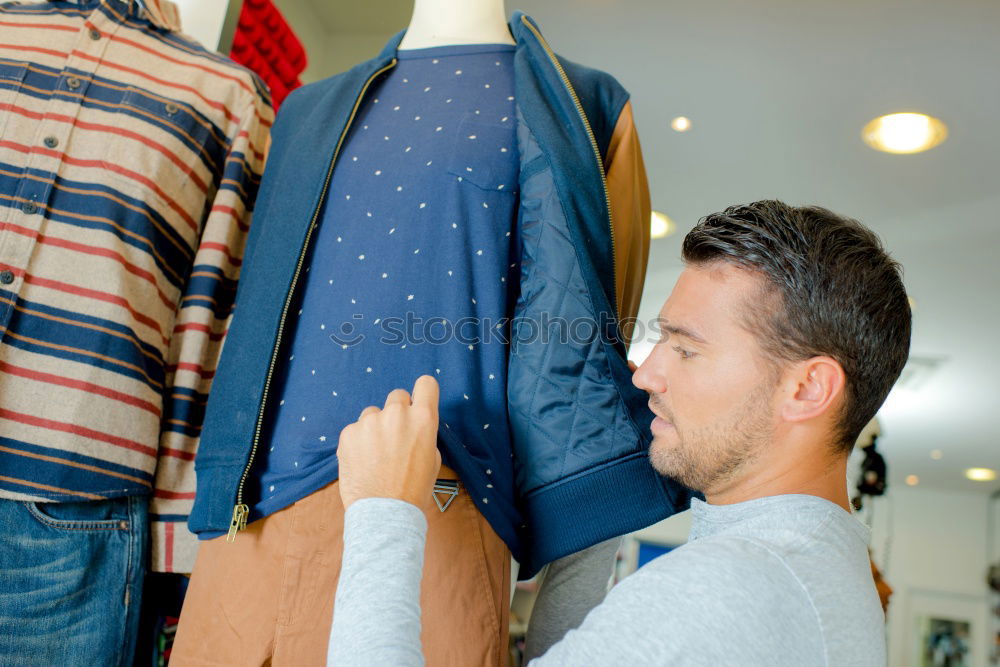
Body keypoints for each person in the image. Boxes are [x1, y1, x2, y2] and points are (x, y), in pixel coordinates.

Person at [327, 200, 911, 665]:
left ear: (807, 389)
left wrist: (383, 511)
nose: (649, 373)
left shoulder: (727, 588)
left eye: (685, 349)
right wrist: (598, 512)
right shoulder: (828, 571)